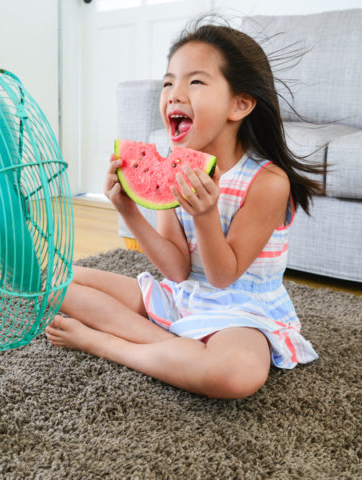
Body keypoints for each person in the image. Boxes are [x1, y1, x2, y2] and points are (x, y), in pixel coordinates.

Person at [46, 22, 323, 399]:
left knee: (234, 375)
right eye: (168, 82)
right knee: (51, 281)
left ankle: (106, 344)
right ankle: (172, 345)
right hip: (184, 296)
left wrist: (205, 215)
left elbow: (223, 276)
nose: (174, 95)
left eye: (195, 82)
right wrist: (128, 210)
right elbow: (176, 269)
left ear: (239, 104)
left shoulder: (267, 183)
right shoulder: (176, 164)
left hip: (241, 312)